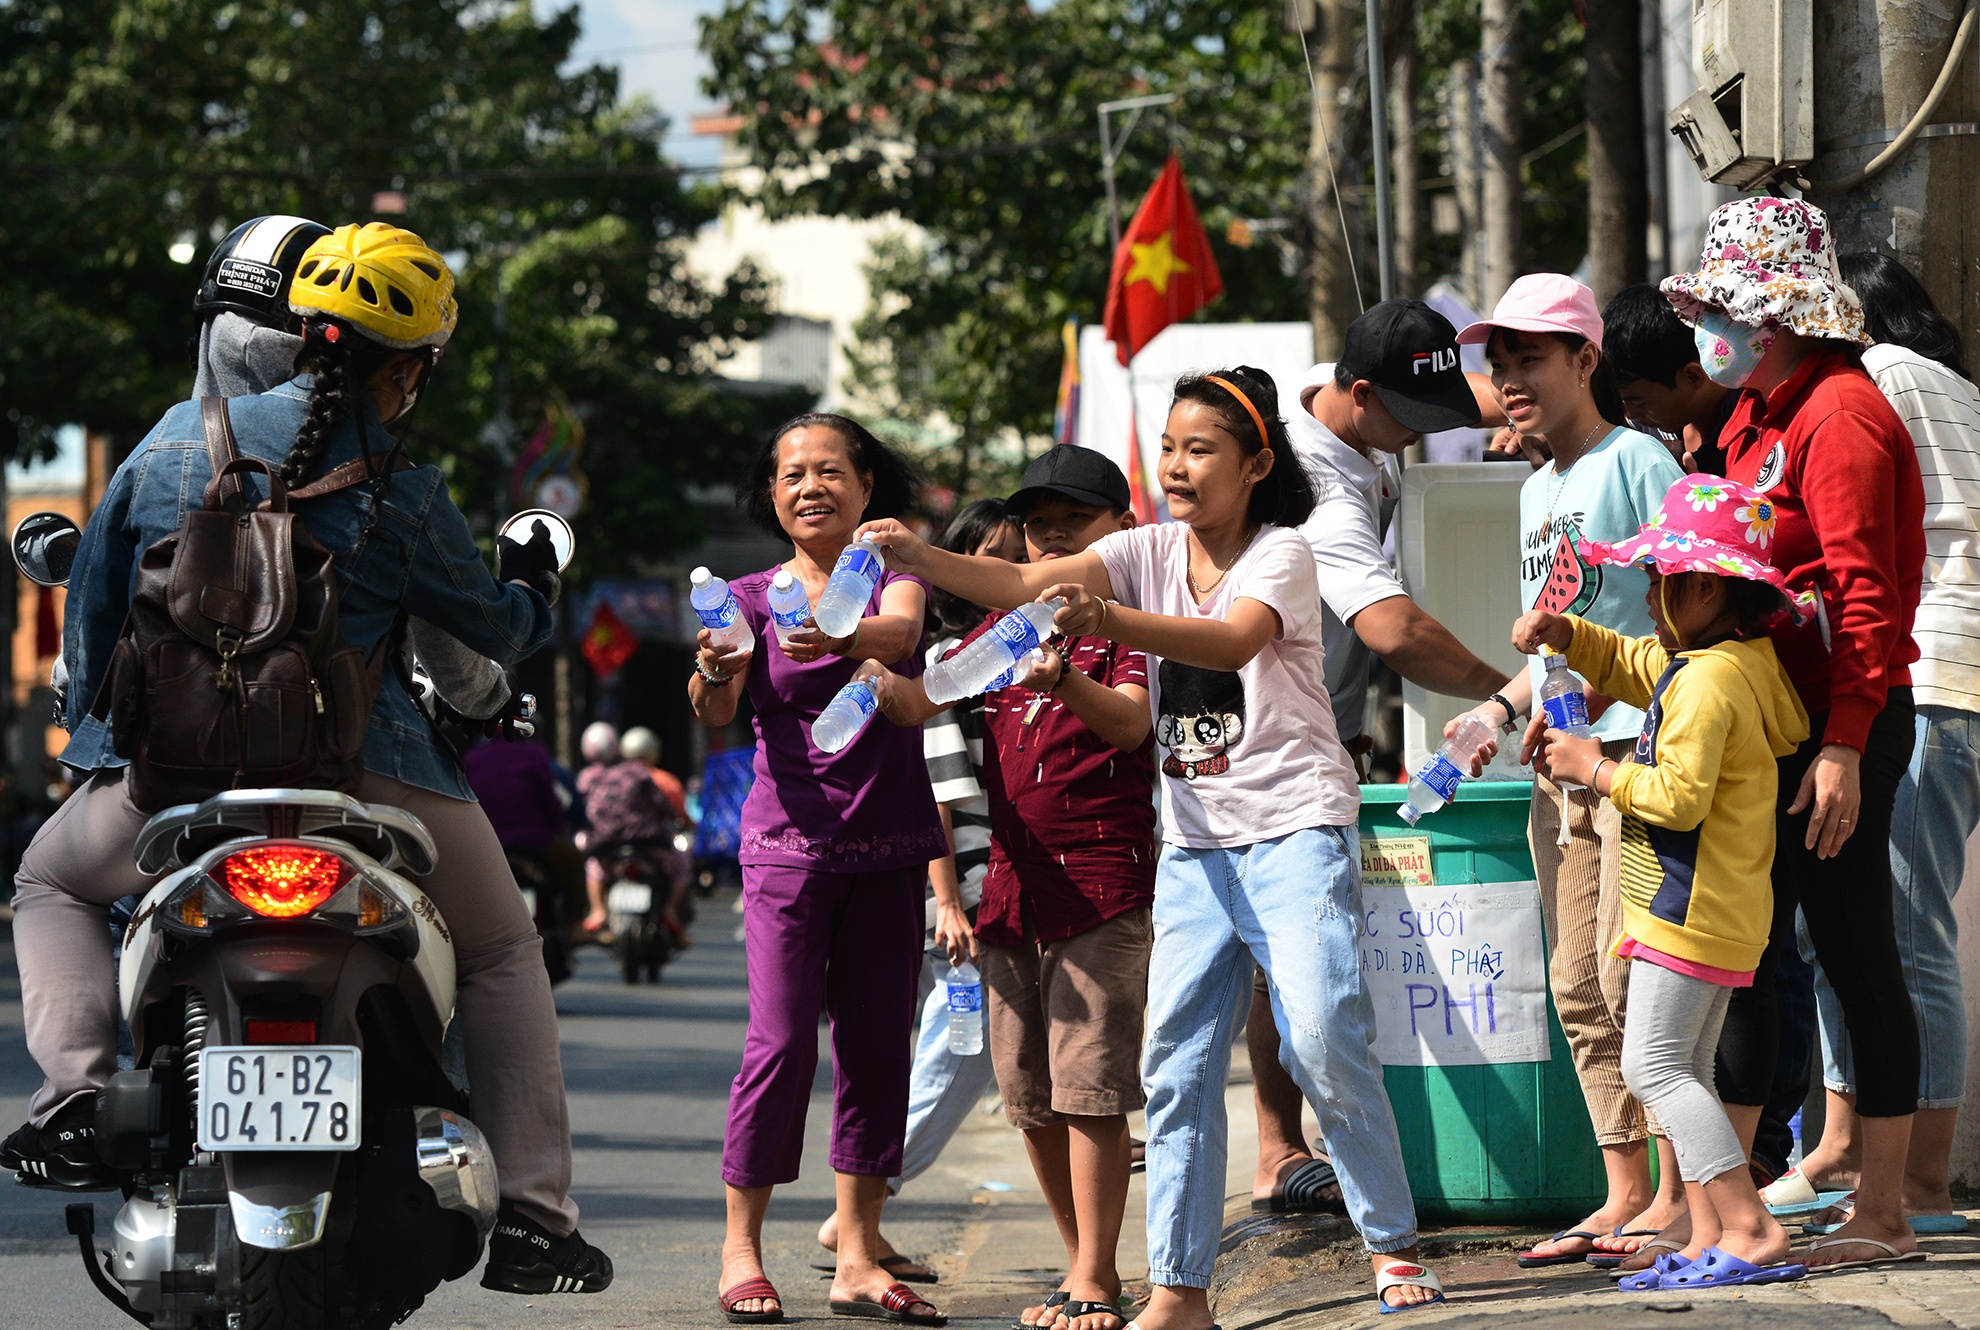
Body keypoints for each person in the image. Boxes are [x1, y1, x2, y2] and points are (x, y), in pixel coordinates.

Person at [0, 222, 611, 1292]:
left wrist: (101, 745)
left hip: (173, 779)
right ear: (409, 369)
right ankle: (533, 1218)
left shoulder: (171, 440)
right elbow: (495, 637)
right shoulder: (408, 489)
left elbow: (92, 620)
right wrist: (531, 583)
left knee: (48, 879)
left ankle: (79, 1100)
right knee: (503, 953)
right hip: (363, 772)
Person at [856, 366, 1447, 1317]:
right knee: (1176, 1070)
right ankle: (1178, 1289)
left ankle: (1390, 1240)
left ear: (1256, 465)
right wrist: (917, 556)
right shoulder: (1143, 548)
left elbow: (1230, 642)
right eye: (1168, 447)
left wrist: (1107, 616)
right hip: (1196, 848)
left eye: (1199, 449)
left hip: (1295, 831)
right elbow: (1019, 582)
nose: (1175, 465)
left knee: (1323, 1037)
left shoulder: (1284, 554)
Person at [1654, 196, 1925, 1273]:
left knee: (1856, 949)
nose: (1708, 331)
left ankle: (1888, 1209)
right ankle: (1721, 1210)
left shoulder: (1841, 414)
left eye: (1723, 310)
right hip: (1768, 717)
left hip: (1838, 722)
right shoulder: (1754, 418)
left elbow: (1867, 596)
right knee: (1749, 954)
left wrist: (1845, 745)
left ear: (1775, 318)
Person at [870, 448, 1157, 1330]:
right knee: (1029, 1096)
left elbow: (1132, 725)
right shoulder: (1002, 633)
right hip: (1007, 892)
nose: (1054, 536)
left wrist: (1065, 678)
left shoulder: (1131, 624)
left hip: (1101, 885)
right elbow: (918, 704)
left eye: (1075, 519)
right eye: (1039, 524)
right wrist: (862, 665)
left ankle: (1097, 1278)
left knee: (1090, 1087)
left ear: (1123, 528)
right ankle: (1080, 1265)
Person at [1250, 300, 1515, 1216]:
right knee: (1289, 953)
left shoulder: (1332, 400)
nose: (1424, 432)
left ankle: (1294, 1139)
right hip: (1277, 738)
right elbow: (1394, 632)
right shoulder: (1320, 488)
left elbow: (1471, 393)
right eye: (1412, 417)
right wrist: (1508, 690)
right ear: (1360, 395)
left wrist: (1541, 409)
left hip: (1334, 719)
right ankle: (1280, 1150)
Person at [1514, 475, 1812, 1289]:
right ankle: (1709, 1228)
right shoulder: (1722, 662)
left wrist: (1594, 768)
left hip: (1686, 909)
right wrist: (1567, 632)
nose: (1648, 595)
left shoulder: (1708, 682)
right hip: (1714, 911)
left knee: (1655, 1068)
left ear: (1706, 590)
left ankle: (1748, 1224)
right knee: (1689, 1066)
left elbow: (1679, 799)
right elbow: (1629, 660)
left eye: (1659, 579)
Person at [1447, 274, 1688, 1267]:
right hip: (1562, 762)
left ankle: (1681, 1195)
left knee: (1638, 979)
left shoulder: (1638, 459)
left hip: (1637, 754)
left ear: (1587, 359)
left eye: (1531, 358)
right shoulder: (1536, 489)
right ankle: (1622, 1192)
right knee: (1577, 982)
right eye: (1499, 362)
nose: (1510, 379)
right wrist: (1497, 711)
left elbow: (1692, 607)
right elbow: (1555, 645)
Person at [691, 413, 948, 1326]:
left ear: (866, 486)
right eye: (793, 474)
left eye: (831, 470)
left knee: (878, 1048)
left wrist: (836, 639)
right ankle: (741, 1249)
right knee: (781, 1044)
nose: (811, 487)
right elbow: (717, 704)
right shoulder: (746, 596)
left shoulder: (897, 575)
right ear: (772, 495)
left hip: (888, 847)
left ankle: (858, 1255)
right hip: (787, 851)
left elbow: (901, 636)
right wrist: (713, 669)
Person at [1779, 251, 1980, 1233]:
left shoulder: (1872, 381)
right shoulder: (1952, 387)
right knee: (1857, 926)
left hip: (1931, 674)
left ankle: (1921, 1181)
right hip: (1948, 678)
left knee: (1896, 930)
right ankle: (1847, 1148)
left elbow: (1863, 558)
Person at [813, 498, 1022, 1284]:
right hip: (966, 887)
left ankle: (863, 1220)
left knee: (971, 1053)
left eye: (1016, 556)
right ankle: (858, 1213)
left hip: (995, 882)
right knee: (959, 1052)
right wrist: (950, 903)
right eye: (992, 555)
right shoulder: (947, 658)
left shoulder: (1005, 648)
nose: (1007, 569)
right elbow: (934, 787)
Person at [1602, 284, 1743, 476]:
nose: (1630, 414)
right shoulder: (1672, 432)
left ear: (1692, 376)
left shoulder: (1750, 436)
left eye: (1640, 403)